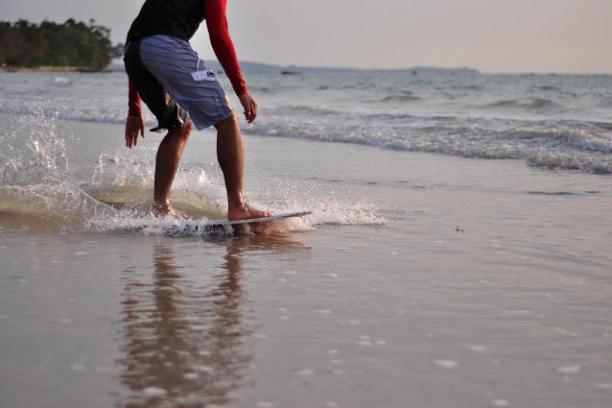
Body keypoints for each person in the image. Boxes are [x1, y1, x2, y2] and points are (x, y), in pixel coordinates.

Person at [123, 0, 269, 220]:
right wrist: (241, 89)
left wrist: (134, 108)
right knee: (227, 119)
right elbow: (218, 34)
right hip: (165, 47)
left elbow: (141, 37)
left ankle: (161, 208)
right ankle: (238, 206)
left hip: (134, 53)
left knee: (179, 126)